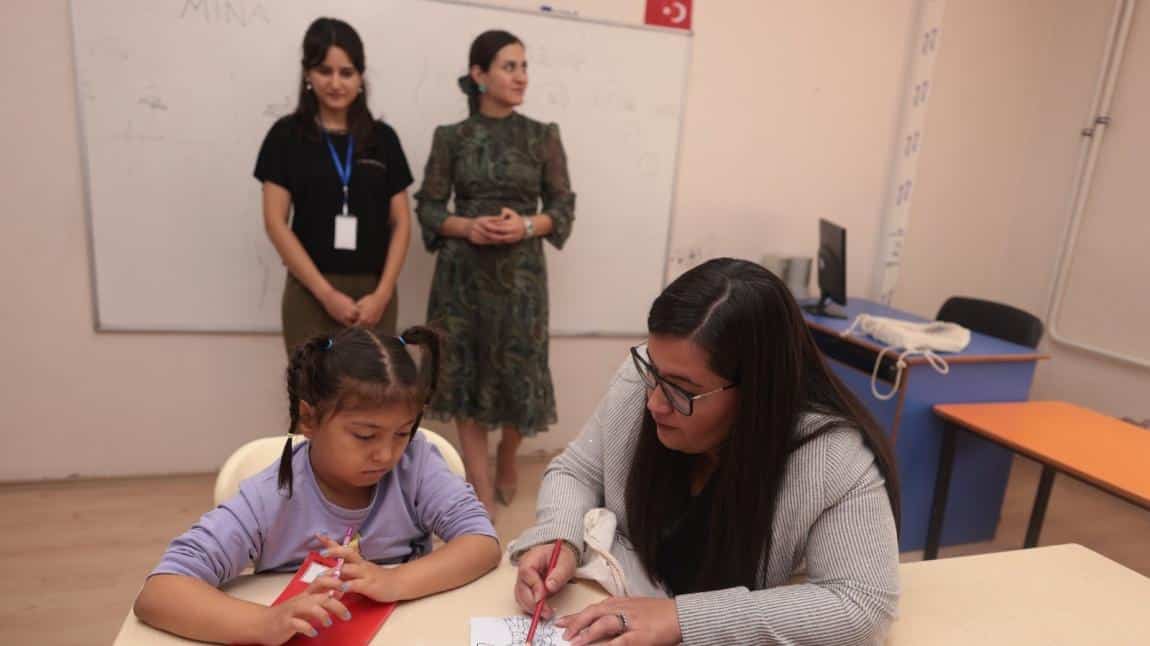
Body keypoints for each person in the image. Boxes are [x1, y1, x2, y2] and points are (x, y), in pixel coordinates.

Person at [510, 258, 901, 645]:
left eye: (683, 390)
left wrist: (682, 618)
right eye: (653, 369)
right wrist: (558, 538)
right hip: (614, 608)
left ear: (756, 392)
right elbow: (577, 471)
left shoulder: (830, 456)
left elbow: (860, 603)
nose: (655, 403)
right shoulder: (643, 381)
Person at [133, 326, 500, 644]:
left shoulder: (415, 463)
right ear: (309, 418)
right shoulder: (270, 496)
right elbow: (160, 593)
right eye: (365, 435)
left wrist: (395, 581)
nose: (386, 454)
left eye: (402, 432)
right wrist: (264, 622)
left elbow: (481, 543)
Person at [415, 29, 576, 516]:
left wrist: (526, 224)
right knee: (463, 373)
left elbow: (563, 207)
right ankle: (480, 487)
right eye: (510, 67)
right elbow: (427, 207)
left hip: (521, 277)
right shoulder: (451, 138)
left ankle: (508, 452)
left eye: (524, 66)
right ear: (479, 75)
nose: (521, 76)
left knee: (519, 374)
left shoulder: (542, 134)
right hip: (461, 278)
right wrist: (467, 227)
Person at [256, 17, 414, 354]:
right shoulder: (286, 137)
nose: (336, 83)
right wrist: (326, 294)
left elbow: (401, 221)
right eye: (325, 71)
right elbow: (274, 221)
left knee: (373, 399)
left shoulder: (382, 139)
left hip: (375, 296)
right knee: (314, 400)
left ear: (360, 77)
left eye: (347, 73)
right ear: (307, 75)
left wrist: (383, 294)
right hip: (310, 291)